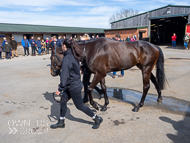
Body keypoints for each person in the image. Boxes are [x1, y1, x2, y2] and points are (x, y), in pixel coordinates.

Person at [50, 39, 103, 129]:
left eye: (62, 45)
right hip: (71, 84)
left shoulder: (67, 58)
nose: (62, 47)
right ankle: (61, 122)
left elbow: (64, 76)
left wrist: (60, 88)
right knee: (63, 101)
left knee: (80, 106)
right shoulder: (73, 55)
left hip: (73, 86)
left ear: (65, 46)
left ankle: (97, 118)